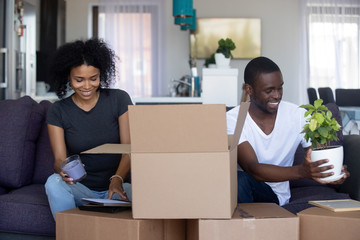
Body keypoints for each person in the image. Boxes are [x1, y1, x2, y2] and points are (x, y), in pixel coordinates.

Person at [226, 56, 349, 206]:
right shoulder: (233, 119)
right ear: (249, 89)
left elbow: (316, 154)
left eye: (280, 88)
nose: (277, 95)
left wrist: (331, 172)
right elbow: (253, 169)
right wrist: (302, 172)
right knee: (239, 180)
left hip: (275, 196)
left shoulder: (297, 114)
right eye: (269, 90)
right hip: (247, 189)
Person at [45, 38, 132, 219]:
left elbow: (129, 150)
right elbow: (59, 159)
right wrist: (62, 169)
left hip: (120, 186)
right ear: (68, 77)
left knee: (154, 189)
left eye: (94, 79)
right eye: (79, 80)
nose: (87, 86)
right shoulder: (58, 110)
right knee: (53, 183)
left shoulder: (119, 100)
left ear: (102, 74)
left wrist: (117, 180)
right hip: (82, 190)